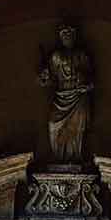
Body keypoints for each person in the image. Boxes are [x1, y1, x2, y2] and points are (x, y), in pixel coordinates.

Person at [38, 24, 94, 166]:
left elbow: (91, 78)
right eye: (64, 35)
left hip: (78, 96)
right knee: (53, 124)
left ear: (74, 37)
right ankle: (58, 157)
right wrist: (44, 76)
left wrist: (87, 86)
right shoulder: (56, 56)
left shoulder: (82, 55)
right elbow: (49, 79)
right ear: (61, 38)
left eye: (69, 35)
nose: (67, 38)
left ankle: (75, 157)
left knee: (77, 128)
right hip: (61, 96)